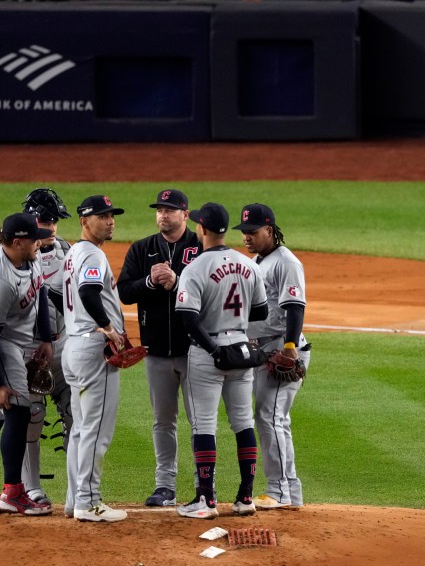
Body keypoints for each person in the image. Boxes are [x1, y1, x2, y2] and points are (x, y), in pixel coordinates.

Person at [175, 202, 268, 519]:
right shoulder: (249, 265)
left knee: (205, 424)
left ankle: (205, 500)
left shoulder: (195, 268)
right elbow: (261, 312)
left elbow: (187, 318)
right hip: (241, 350)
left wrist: (213, 348)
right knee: (243, 422)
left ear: (200, 228)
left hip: (208, 353)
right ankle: (246, 497)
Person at [117, 189, 202, 508]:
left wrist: (177, 282)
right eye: (159, 210)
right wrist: (151, 283)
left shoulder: (200, 246)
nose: (163, 214)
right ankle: (165, 486)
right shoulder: (142, 249)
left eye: (169, 210)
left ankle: (202, 484)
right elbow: (124, 291)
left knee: (200, 422)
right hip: (155, 351)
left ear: (185, 213)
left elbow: (213, 291)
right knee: (162, 421)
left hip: (196, 352)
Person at [232, 204, 311, 510]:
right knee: (273, 419)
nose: (247, 237)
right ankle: (290, 493)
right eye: (244, 233)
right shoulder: (259, 260)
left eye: (252, 232)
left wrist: (289, 346)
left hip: (280, 349)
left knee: (270, 418)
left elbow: (295, 306)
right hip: (262, 350)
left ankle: (278, 491)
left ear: (270, 230)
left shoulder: (286, 262)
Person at [61, 194, 128, 522]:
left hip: (74, 347)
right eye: (102, 216)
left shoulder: (73, 252)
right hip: (92, 349)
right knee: (95, 430)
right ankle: (89, 502)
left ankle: (75, 499)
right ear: (84, 221)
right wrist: (107, 327)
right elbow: (88, 292)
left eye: (111, 215)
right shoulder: (92, 255)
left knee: (80, 429)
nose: (110, 220)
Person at [20, 188, 73, 508]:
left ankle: (78, 488)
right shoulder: (13, 254)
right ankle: (30, 487)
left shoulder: (68, 249)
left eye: (54, 220)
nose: (50, 226)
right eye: (44, 220)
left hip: (64, 345)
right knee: (33, 414)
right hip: (27, 350)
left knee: (74, 415)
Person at [0, 213, 53, 516]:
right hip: (3, 343)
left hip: (20, 343)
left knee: (16, 413)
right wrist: (0, 385)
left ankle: (12, 490)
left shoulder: (28, 259)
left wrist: (44, 338)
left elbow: (41, 290)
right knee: (17, 409)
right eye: (34, 238)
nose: (40, 241)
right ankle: (12, 492)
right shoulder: (3, 281)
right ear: (18, 242)